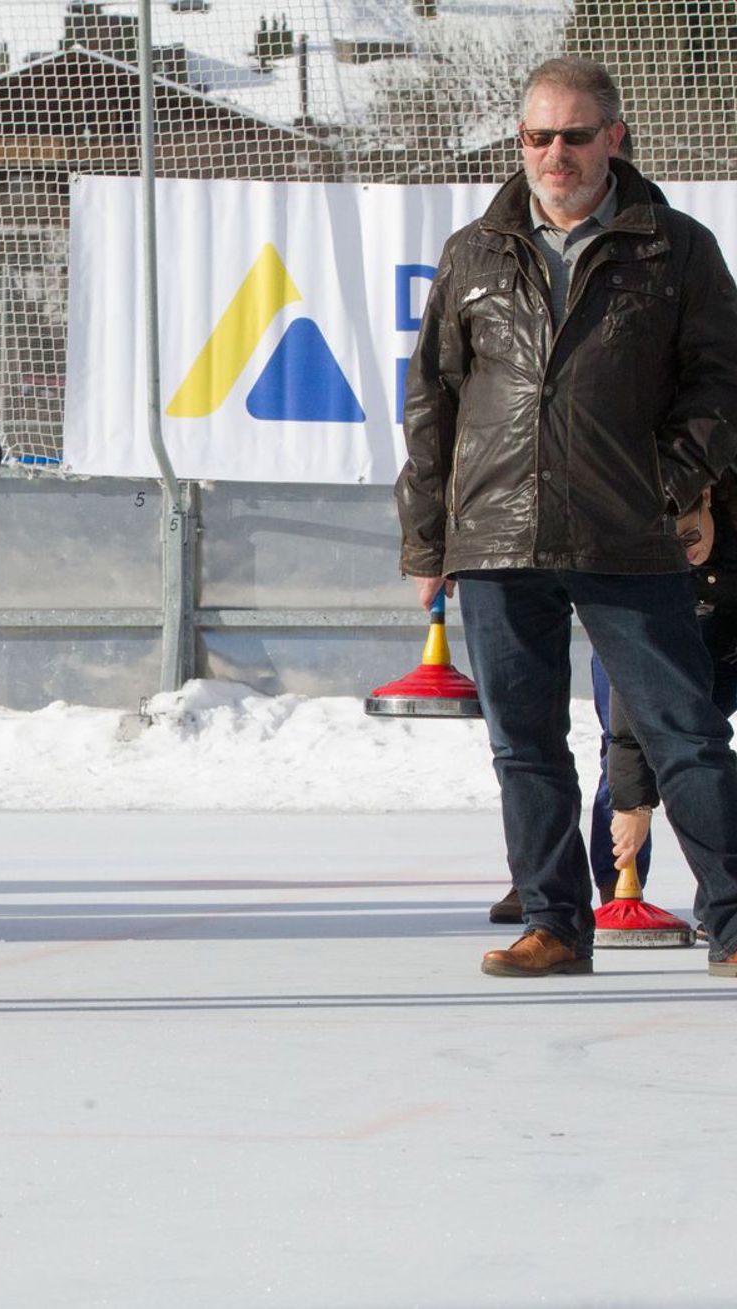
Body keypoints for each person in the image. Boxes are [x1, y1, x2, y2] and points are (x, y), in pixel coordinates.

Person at [396, 56, 737, 978]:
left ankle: (735, 921)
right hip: (498, 537)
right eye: (538, 136)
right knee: (525, 745)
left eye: (575, 136)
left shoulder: (677, 248)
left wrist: (670, 485)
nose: (555, 153)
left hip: (630, 536)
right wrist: (427, 538)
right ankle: (553, 924)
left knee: (685, 733)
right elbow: (432, 401)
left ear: (613, 139)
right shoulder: (474, 251)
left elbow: (721, 385)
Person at [606, 476, 737, 891]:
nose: (687, 552)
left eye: (691, 536)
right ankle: (619, 887)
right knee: (683, 750)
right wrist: (634, 804)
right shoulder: (648, 567)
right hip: (689, 635)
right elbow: (634, 698)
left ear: (706, 496)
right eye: (673, 546)